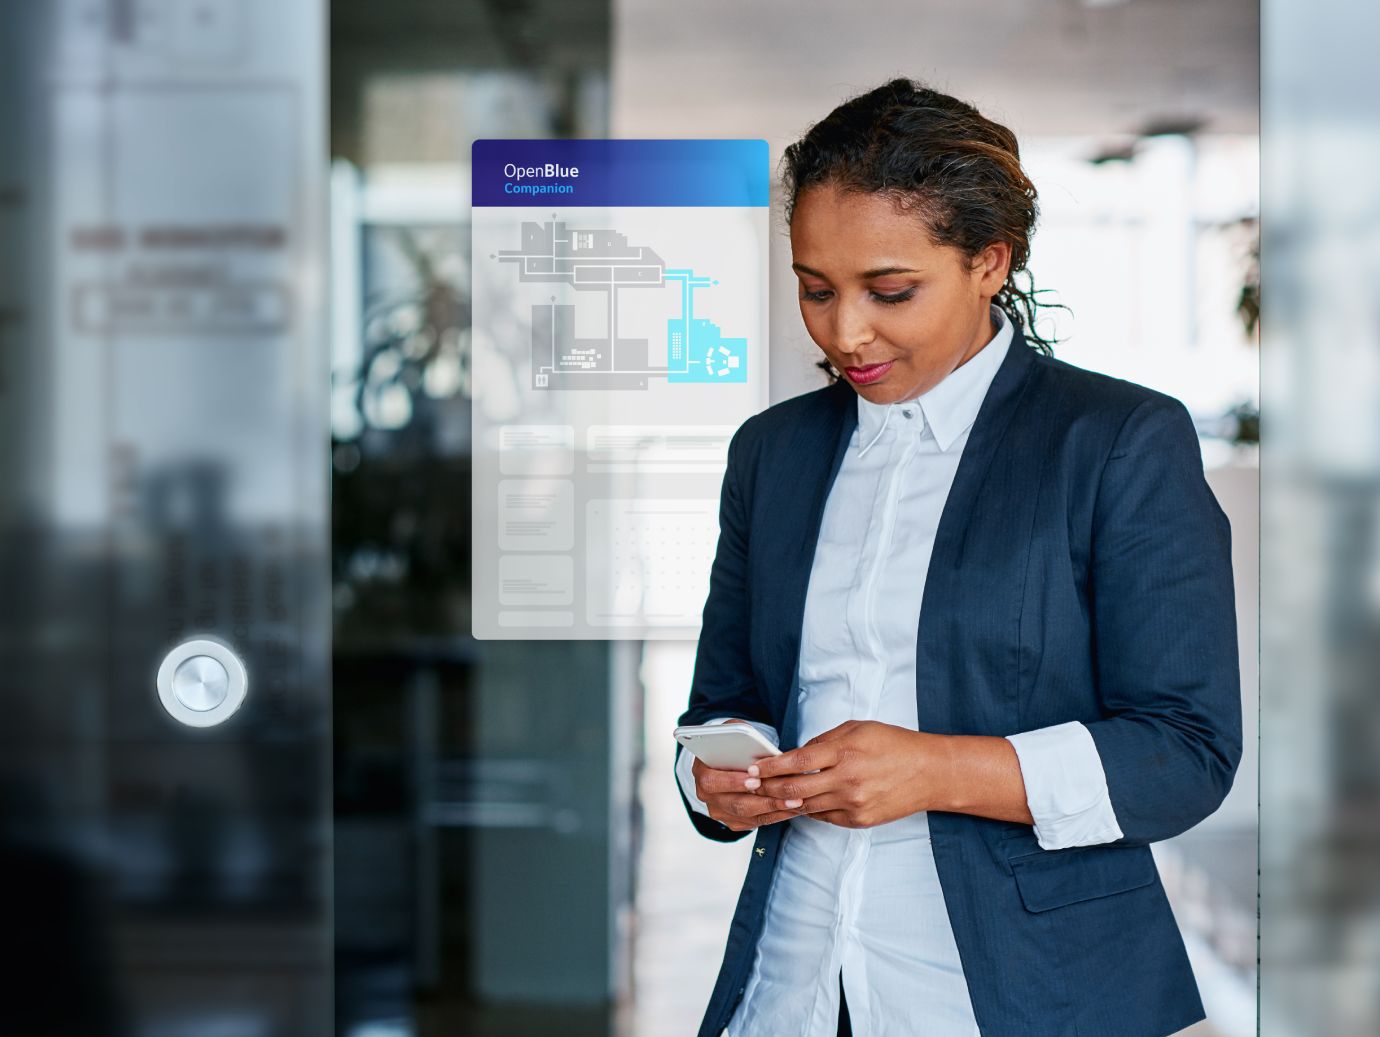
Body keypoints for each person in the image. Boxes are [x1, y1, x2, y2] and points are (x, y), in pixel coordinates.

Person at [673, 78, 1242, 1037]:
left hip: (1020, 993)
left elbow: (1186, 753)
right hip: (796, 983)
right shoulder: (772, 454)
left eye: (889, 291)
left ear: (989, 261)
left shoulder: (1114, 441)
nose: (845, 331)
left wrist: (936, 771)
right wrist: (717, 779)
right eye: (816, 288)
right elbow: (721, 700)